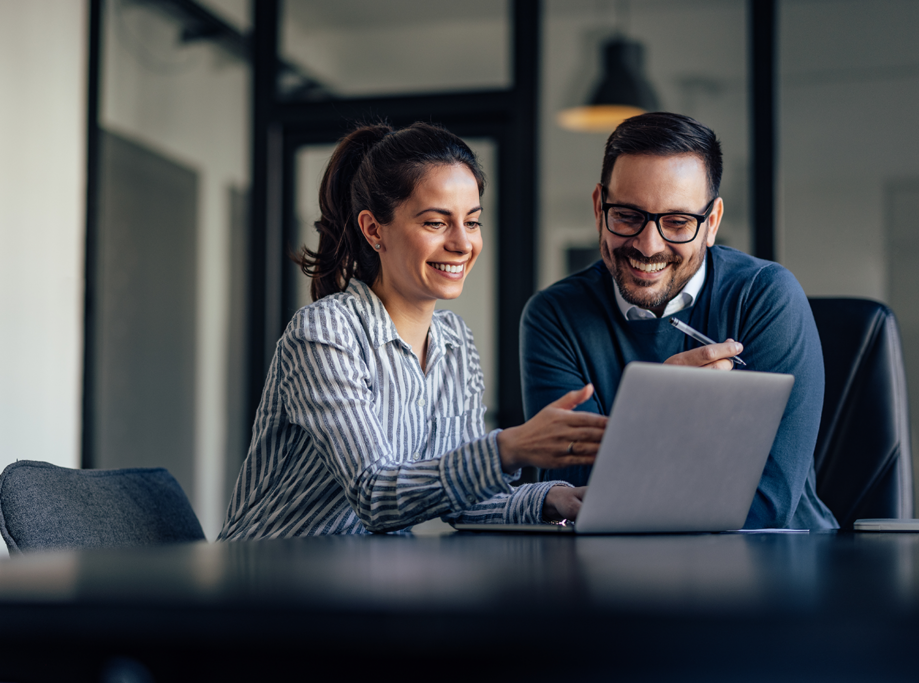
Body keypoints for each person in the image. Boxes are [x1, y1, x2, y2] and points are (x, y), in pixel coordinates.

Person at [220, 122, 606, 540]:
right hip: (269, 581)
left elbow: (463, 497)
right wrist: (510, 448)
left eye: (472, 222)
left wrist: (555, 499)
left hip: (366, 580)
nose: (463, 243)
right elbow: (375, 495)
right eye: (436, 223)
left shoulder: (455, 341)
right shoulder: (324, 332)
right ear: (373, 230)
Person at [520, 112, 838, 530]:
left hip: (777, 564)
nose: (648, 246)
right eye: (628, 216)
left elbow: (768, 500)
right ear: (600, 207)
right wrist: (660, 411)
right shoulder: (554, 317)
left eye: (677, 222)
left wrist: (637, 451)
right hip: (618, 574)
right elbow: (579, 497)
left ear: (712, 223)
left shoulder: (767, 297)